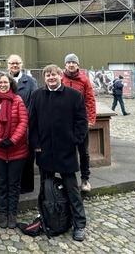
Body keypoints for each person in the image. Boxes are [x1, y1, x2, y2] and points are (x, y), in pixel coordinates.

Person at [29, 64, 88, 242]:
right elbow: (32, 123)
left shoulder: (74, 96)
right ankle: (45, 217)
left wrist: (74, 140)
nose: (51, 78)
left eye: (53, 74)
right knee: (44, 189)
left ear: (60, 76)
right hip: (45, 150)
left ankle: (79, 224)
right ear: (44, 78)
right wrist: (36, 144)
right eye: (47, 75)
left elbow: (81, 122)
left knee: (72, 189)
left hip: (66, 151)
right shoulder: (37, 95)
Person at [0, 72, 29, 229]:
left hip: (17, 150)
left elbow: (23, 122)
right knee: (1, 184)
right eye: (0, 83)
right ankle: (3, 214)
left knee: (14, 184)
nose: (3, 85)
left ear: (11, 84)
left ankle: (12, 214)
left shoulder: (18, 100)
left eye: (5, 82)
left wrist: (13, 140)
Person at [61, 53, 96, 193]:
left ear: (77, 65)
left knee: (83, 151)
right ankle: (68, 179)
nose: (71, 65)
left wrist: (91, 119)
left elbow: (90, 100)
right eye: (68, 62)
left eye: (73, 62)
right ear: (65, 65)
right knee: (67, 151)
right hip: (65, 122)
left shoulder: (84, 80)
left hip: (80, 121)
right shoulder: (60, 78)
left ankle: (85, 178)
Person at [6, 54, 37, 194]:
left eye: (17, 63)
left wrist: (27, 121)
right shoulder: (3, 80)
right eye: (12, 63)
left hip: (26, 124)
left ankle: (26, 185)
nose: (14, 66)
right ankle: (12, 184)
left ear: (21, 64)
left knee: (26, 156)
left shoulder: (30, 82)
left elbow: (34, 102)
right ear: (8, 65)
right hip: (8, 125)